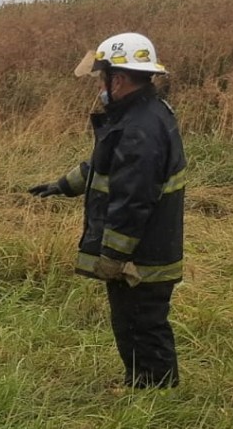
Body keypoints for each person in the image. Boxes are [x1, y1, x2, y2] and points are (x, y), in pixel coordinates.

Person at [29, 32, 186, 389]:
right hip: (147, 250)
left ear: (118, 79)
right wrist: (62, 185)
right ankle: (145, 383)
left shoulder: (139, 129)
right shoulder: (140, 115)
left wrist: (113, 257)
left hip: (142, 257)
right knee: (138, 321)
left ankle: (153, 393)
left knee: (141, 324)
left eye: (102, 78)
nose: (100, 86)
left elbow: (132, 201)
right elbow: (102, 166)